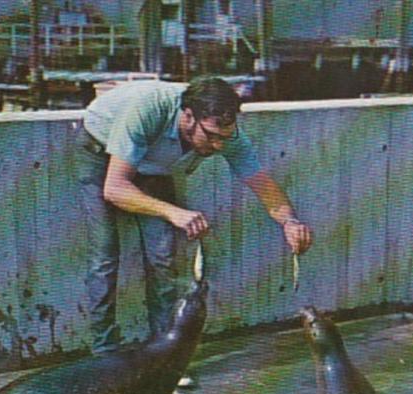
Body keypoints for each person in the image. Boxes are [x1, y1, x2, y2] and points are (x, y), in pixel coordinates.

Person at [75, 76, 312, 356]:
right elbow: (115, 189)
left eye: (225, 138)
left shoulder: (223, 133)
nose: (218, 146)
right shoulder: (148, 110)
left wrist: (289, 222)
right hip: (100, 152)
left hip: (153, 166)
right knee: (105, 255)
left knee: (163, 255)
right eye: (211, 136)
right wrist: (173, 212)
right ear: (188, 116)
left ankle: (163, 353)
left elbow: (260, 182)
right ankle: (105, 353)